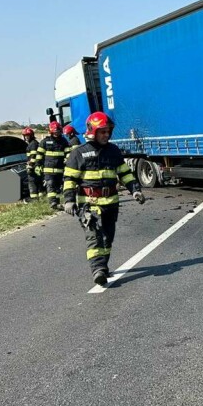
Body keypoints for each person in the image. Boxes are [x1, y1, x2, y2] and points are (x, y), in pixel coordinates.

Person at [63, 112, 145, 286]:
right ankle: (98, 269)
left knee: (108, 239)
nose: (106, 135)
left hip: (111, 204)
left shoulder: (113, 151)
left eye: (108, 131)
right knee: (94, 237)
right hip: (89, 205)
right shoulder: (78, 153)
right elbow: (70, 179)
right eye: (102, 132)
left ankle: (104, 266)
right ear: (92, 131)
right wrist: (69, 200)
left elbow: (124, 173)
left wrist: (135, 190)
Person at [35, 121, 69, 210]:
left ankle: (57, 203)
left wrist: (69, 162)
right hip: (48, 170)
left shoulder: (64, 141)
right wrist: (38, 165)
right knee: (50, 184)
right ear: (51, 132)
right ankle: (52, 202)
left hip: (59, 169)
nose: (56, 134)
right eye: (55, 132)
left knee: (57, 187)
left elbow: (68, 153)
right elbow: (39, 154)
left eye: (58, 132)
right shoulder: (45, 142)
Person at [23, 127, 42, 202]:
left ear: (31, 135)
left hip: (34, 166)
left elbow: (33, 156)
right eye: (25, 136)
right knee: (38, 181)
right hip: (36, 166)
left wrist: (30, 166)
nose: (26, 137)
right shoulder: (32, 143)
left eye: (28, 135)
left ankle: (34, 198)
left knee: (32, 181)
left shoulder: (33, 144)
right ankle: (41, 196)